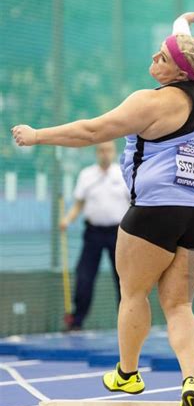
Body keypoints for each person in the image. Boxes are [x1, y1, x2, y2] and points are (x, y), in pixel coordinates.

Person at [11, 11, 194, 406]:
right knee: (179, 305)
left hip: (155, 212)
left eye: (161, 56)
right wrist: (181, 25)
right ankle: (191, 381)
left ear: (178, 70)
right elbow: (192, 57)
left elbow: (91, 132)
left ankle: (127, 374)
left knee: (133, 293)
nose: (153, 58)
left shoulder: (150, 101)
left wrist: (37, 136)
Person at [61, 141, 130, 331]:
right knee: (84, 276)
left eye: (108, 150)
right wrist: (67, 219)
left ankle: (127, 322)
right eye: (101, 150)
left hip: (119, 233)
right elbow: (78, 204)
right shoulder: (86, 175)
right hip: (93, 233)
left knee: (124, 279)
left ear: (114, 152)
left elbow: (133, 202)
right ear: (96, 153)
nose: (105, 154)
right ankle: (76, 321)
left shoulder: (123, 173)